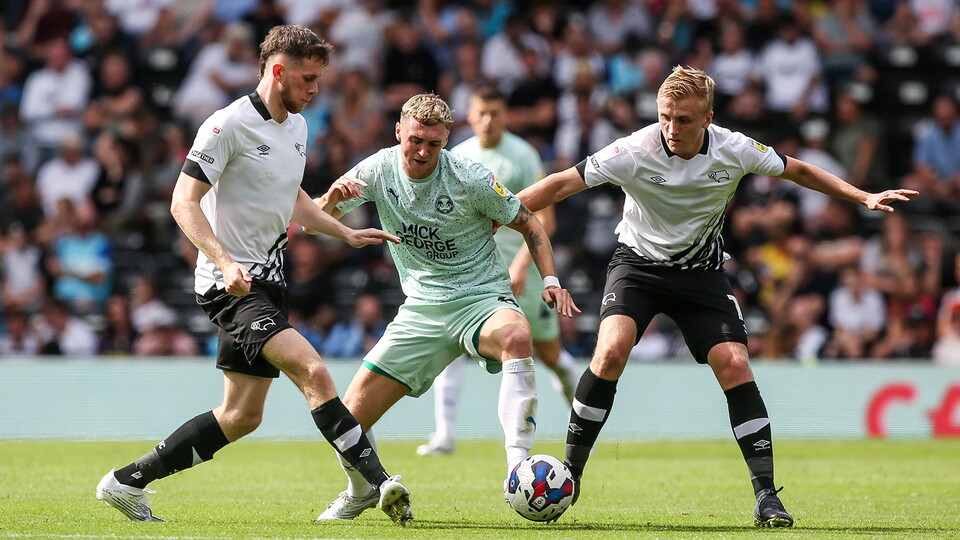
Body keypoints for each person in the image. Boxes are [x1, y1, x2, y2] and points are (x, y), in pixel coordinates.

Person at [517, 66, 917, 528]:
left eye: (684, 119)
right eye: (665, 116)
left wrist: (862, 196)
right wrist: (498, 214)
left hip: (701, 274)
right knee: (608, 352)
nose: (671, 129)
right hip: (638, 266)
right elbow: (560, 184)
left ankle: (767, 495)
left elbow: (800, 170)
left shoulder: (735, 148)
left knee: (736, 365)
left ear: (708, 118)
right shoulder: (633, 149)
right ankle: (573, 475)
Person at [94, 24, 412, 526]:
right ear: (277, 71)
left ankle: (126, 481)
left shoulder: (298, 128)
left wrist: (343, 232)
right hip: (229, 286)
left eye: (319, 79)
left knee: (242, 416)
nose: (315, 89)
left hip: (269, 283)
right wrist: (223, 262)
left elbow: (292, 199)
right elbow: (183, 202)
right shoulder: (227, 126)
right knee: (314, 369)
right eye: (308, 79)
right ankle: (378, 482)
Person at [306, 93, 578, 521]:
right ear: (399, 132)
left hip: (481, 297)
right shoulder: (377, 169)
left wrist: (550, 279)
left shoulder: (470, 177)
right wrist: (330, 201)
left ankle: (516, 470)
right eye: (415, 140)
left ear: (446, 139)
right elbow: (310, 222)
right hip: (422, 307)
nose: (422, 151)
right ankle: (360, 490)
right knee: (347, 416)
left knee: (518, 335)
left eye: (433, 144)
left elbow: (529, 221)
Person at [416, 83, 578, 456]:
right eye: (481, 113)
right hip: (473, 275)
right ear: (469, 116)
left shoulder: (522, 155)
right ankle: (444, 435)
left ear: (505, 115)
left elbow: (545, 219)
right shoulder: (456, 155)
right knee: (453, 346)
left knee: (550, 354)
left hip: (523, 274)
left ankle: (581, 423)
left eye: (495, 113)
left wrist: (521, 266)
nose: (488, 120)